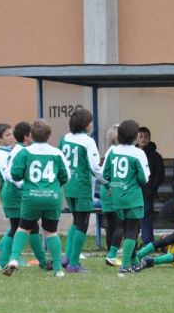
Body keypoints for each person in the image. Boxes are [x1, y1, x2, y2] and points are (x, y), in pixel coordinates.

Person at [3, 120, 70, 277]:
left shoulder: (24, 152)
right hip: (52, 196)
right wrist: (53, 186)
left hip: (31, 196)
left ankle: (14, 258)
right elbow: (65, 176)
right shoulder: (57, 153)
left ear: (31, 135)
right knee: (51, 232)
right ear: (49, 135)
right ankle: (58, 269)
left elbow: (15, 174)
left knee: (24, 227)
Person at [102, 120, 150, 277]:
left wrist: (113, 186)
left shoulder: (113, 152)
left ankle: (135, 262)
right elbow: (144, 178)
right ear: (136, 136)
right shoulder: (138, 153)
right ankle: (125, 265)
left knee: (125, 227)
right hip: (132, 197)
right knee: (132, 231)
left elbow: (105, 174)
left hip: (117, 198)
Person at [0, 121, 39, 270]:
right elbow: (9, 175)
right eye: (8, 135)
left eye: (12, 134)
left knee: (19, 226)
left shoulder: (11, 151)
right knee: (20, 226)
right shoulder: (1, 155)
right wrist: (24, 185)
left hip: (16, 193)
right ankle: (6, 258)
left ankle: (2, 252)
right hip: (13, 194)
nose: (12, 137)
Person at [59, 109, 102, 273]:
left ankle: (67, 257)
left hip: (68, 186)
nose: (92, 124)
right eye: (90, 121)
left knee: (76, 222)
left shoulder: (64, 138)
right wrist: (106, 182)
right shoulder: (88, 141)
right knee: (82, 224)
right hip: (82, 186)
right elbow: (95, 167)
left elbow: (60, 160)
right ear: (86, 124)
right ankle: (74, 264)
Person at [136, 126, 165, 245]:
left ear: (150, 138)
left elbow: (159, 174)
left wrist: (152, 187)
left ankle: (148, 241)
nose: (143, 139)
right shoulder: (132, 153)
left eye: (146, 137)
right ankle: (131, 241)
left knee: (146, 214)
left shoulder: (155, 156)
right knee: (133, 216)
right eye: (140, 136)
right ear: (136, 138)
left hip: (148, 192)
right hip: (134, 190)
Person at [102, 125, 124, 267]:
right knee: (120, 223)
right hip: (113, 190)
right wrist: (111, 186)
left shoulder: (109, 150)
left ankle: (111, 252)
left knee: (111, 224)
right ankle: (113, 254)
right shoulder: (116, 151)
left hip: (107, 191)